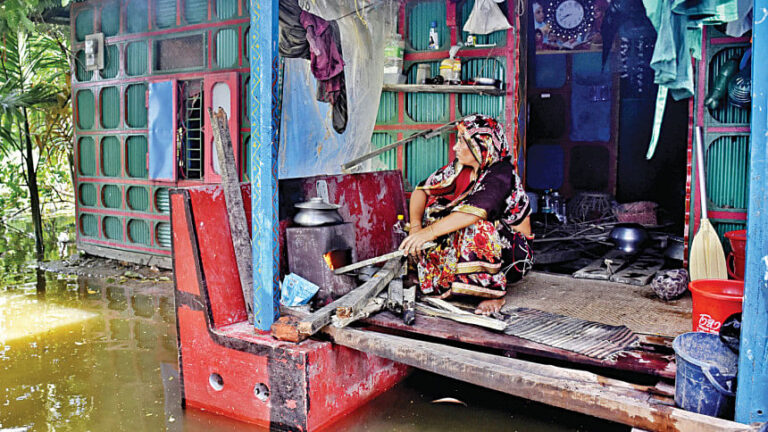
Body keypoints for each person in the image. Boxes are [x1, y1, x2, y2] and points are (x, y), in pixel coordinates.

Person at [399, 115, 533, 316]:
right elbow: (421, 190)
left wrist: (429, 233)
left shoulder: (500, 174)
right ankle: (444, 278)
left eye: (462, 140)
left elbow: (474, 213)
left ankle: (492, 292)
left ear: (482, 145)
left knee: (475, 225)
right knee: (434, 214)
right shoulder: (461, 168)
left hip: (513, 254)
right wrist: (418, 226)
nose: (455, 147)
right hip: (484, 239)